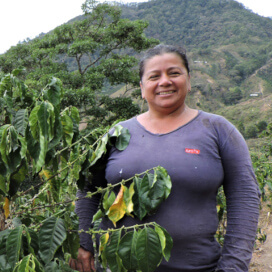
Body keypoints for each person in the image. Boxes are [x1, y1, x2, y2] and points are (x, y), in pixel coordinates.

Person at [70, 44, 260, 272]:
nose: (164, 81)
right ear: (142, 87)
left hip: (199, 267)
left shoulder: (218, 130)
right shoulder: (117, 134)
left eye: (174, 73)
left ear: (189, 81)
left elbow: (245, 197)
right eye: (154, 76)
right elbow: (88, 190)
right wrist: (83, 242)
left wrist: (233, 265)